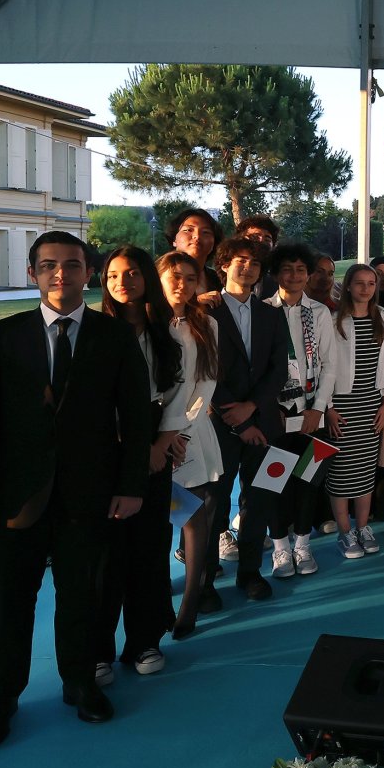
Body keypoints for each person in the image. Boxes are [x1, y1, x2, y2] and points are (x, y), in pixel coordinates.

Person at [0, 232, 151, 747]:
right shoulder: (1, 338)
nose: (61, 275)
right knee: (11, 603)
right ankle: (0, 699)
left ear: (88, 273)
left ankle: (80, 682)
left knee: (81, 597)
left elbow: (136, 416)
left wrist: (132, 485)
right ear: (33, 274)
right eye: (49, 266)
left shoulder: (113, 338)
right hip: (15, 498)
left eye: (72, 265)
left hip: (89, 493)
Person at [93, 246, 185, 687]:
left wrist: (163, 441)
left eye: (131, 273)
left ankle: (144, 640)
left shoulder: (167, 332)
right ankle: (97, 650)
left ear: (147, 277)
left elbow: (181, 394)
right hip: (104, 445)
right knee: (106, 554)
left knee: (149, 546)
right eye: (113, 275)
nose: (122, 282)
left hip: (154, 440)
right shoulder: (94, 331)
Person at [204, 237, 287, 604]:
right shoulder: (204, 311)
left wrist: (252, 407)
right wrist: (236, 418)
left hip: (265, 422)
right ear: (224, 265)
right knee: (214, 505)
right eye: (240, 261)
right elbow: (203, 371)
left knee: (260, 500)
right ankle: (203, 582)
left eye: (254, 263)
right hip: (218, 425)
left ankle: (250, 573)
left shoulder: (271, 313)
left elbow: (278, 369)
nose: (248, 268)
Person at [155, 250, 221, 639]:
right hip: (150, 437)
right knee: (159, 520)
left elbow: (206, 382)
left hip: (190, 435)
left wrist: (180, 430)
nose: (182, 284)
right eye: (174, 276)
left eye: (190, 278)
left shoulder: (206, 325)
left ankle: (191, 602)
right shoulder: (146, 323)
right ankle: (158, 597)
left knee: (194, 518)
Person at [263, 243, 337, 578]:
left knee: (309, 481)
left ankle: (303, 545)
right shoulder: (263, 312)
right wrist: (268, 408)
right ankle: (280, 549)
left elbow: (330, 366)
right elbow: (257, 369)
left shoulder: (319, 312)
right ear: (276, 273)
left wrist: (318, 409)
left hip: (311, 416)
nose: (294, 276)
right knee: (275, 482)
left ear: (308, 275)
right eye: (287, 269)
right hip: (275, 416)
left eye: (300, 270)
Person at [320, 265, 384, 556]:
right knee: (341, 473)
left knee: (365, 472)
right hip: (341, 406)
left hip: (371, 405)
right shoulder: (333, 321)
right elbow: (323, 367)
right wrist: (327, 408)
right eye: (359, 283)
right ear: (349, 286)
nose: (365, 289)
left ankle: (363, 527)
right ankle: (345, 533)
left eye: (371, 283)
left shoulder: (381, 318)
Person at [167, 207, 223, 292]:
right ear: (174, 239)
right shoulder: (157, 275)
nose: (197, 236)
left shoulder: (221, 280)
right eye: (189, 230)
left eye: (205, 232)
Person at [234, 214, 280, 298]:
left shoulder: (279, 283)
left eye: (267, 239)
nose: (261, 241)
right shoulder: (220, 278)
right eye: (254, 237)